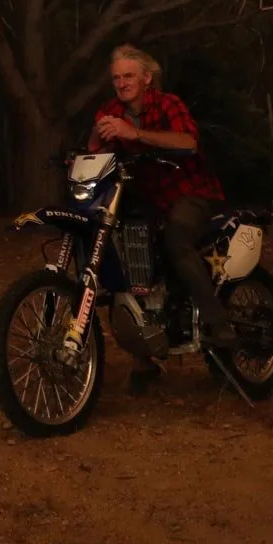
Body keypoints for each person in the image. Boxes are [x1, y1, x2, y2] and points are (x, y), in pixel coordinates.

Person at [86, 44, 237, 352]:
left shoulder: (168, 104)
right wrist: (98, 135)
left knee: (176, 240)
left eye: (129, 76)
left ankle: (217, 321)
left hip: (189, 192)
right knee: (123, 255)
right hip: (145, 196)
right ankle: (144, 354)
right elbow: (93, 152)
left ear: (146, 79)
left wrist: (136, 134)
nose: (122, 83)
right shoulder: (109, 110)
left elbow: (188, 141)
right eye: (116, 78)